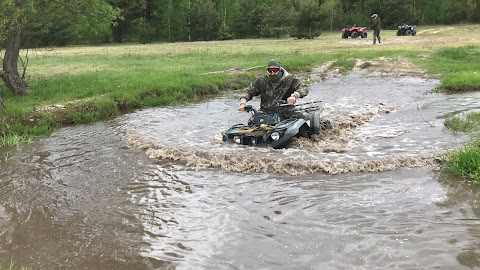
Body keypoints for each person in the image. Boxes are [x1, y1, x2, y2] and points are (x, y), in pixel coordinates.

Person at [238, 59, 308, 122]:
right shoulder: (262, 80)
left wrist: (294, 96)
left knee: (300, 119)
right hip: (265, 110)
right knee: (252, 122)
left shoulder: (290, 79)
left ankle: (308, 135)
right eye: (270, 71)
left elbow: (303, 88)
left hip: (285, 108)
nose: (272, 73)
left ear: (280, 70)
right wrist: (243, 102)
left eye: (274, 70)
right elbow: (249, 91)